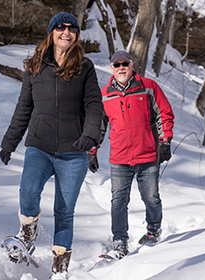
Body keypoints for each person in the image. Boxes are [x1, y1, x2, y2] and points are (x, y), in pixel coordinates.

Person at [0, 12, 103, 277]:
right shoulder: (35, 66)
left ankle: (60, 263)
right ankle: (28, 231)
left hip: (74, 149)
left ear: (77, 35)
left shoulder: (85, 66)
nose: (66, 32)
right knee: (28, 190)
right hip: (40, 146)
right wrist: (9, 143)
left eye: (72, 28)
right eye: (60, 27)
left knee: (64, 210)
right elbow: (24, 108)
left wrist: (90, 136)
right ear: (51, 32)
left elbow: (94, 105)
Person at [89, 50, 174, 259]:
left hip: (147, 155)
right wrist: (92, 151)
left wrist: (165, 142)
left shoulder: (148, 87)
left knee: (151, 198)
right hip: (119, 158)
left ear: (131, 65)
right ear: (111, 68)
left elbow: (164, 113)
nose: (121, 68)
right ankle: (119, 241)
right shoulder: (105, 95)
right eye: (116, 65)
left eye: (124, 64)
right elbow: (97, 127)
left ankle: (153, 231)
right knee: (118, 201)